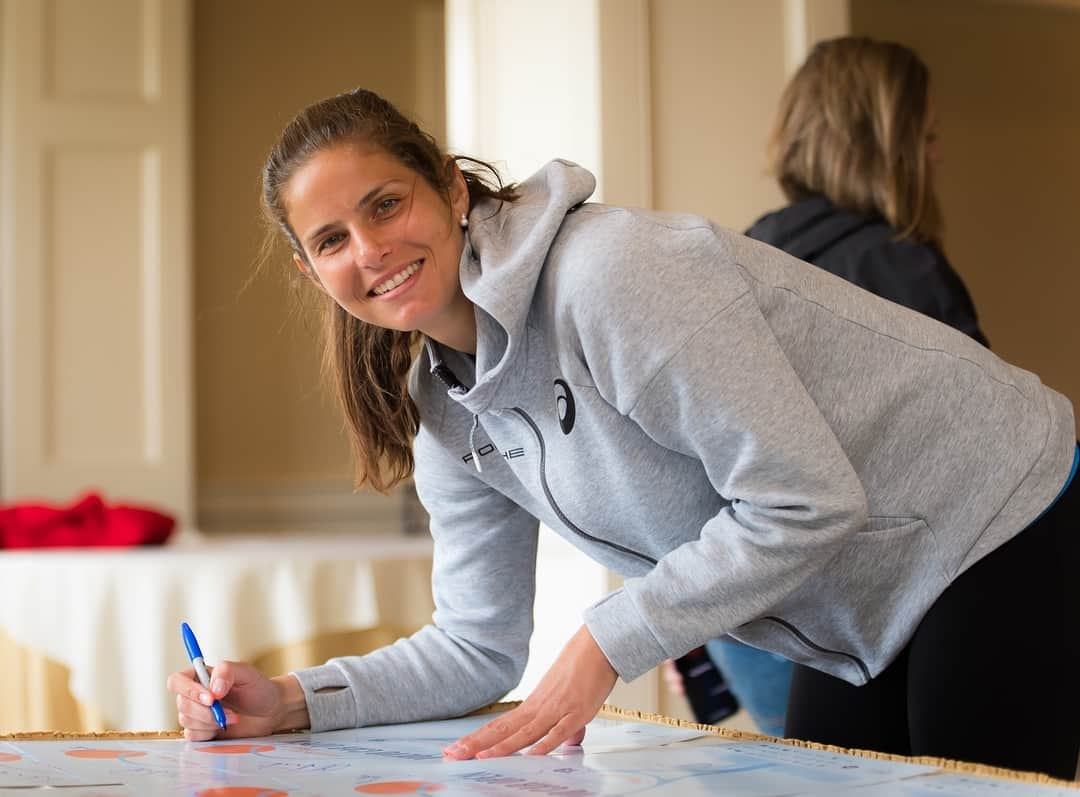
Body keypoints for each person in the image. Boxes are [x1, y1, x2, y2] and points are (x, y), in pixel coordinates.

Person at [167, 87, 1080, 779]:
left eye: (385, 204)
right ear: (308, 269)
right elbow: (476, 646)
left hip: (992, 508)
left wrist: (605, 643)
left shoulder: (610, 274)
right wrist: (289, 702)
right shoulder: (447, 408)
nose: (367, 249)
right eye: (330, 239)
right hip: (857, 591)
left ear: (449, 187)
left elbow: (803, 495)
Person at [672, 35, 993, 739]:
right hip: (865, 626)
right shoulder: (904, 273)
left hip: (749, 628)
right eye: (927, 135)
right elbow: (988, 482)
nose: (936, 155)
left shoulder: (737, 254)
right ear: (889, 142)